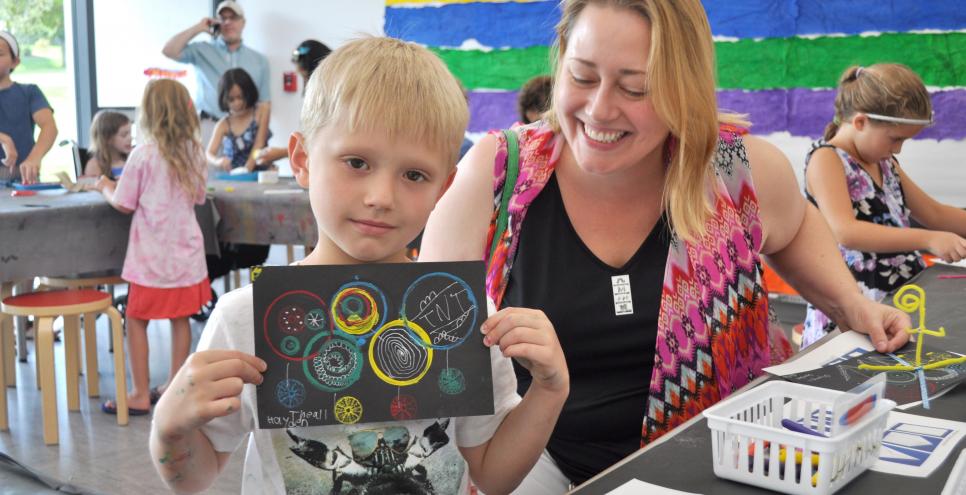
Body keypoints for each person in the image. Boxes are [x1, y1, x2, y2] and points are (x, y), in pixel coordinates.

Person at [418, 0, 913, 490]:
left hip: (714, 460)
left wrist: (849, 303)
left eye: (636, 88)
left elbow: (797, 225)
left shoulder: (738, 172)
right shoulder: (496, 172)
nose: (600, 110)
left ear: (685, 90)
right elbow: (427, 328)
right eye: (583, 77)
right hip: (533, 464)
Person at [149, 37, 568, 495]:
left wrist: (549, 391)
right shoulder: (244, 319)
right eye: (357, 162)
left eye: (414, 175)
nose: (381, 198)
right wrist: (169, 427)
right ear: (303, 159)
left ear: (443, 186)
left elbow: (493, 474)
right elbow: (194, 480)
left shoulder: (461, 316)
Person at [801, 63, 966, 349]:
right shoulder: (826, 160)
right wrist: (928, 239)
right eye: (895, 138)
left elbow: (934, 213)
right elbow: (846, 232)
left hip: (897, 301)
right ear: (861, 122)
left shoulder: (885, 163)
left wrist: (940, 231)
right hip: (857, 310)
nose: (899, 149)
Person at [94, 79, 211, 416]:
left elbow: (123, 202)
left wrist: (104, 185)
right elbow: (199, 197)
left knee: (136, 318)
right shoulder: (194, 151)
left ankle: (140, 392)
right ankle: (176, 389)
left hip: (151, 257)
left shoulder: (142, 155)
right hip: (185, 254)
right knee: (180, 320)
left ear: (149, 112)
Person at [162, 1, 269, 145]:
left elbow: (265, 105)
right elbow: (169, 50)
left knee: (246, 168)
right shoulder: (201, 51)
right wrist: (199, 27)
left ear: (243, 22)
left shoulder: (259, 61)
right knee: (206, 167)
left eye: (233, 17)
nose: (228, 22)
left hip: (246, 131)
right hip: (208, 127)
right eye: (223, 18)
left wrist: (259, 146)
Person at [252, 39, 332, 167]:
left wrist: (284, 152)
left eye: (304, 76)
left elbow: (322, 140)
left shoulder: (328, 95)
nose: (304, 81)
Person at [0, 30, 57, 184]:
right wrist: (3, 138)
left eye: (0, 54)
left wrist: (34, 158)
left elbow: (49, 126)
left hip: (25, 181)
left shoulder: (29, 92)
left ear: (15, 62)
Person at [206, 68, 270, 172]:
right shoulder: (223, 124)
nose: (237, 103)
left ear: (248, 93)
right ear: (224, 99)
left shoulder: (262, 110)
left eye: (241, 97)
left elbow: (259, 143)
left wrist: (247, 168)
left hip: (260, 173)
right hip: (234, 176)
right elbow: (209, 154)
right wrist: (218, 161)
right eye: (231, 99)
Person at [84, 110, 133, 178]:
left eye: (130, 133)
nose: (130, 138)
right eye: (124, 135)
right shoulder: (94, 165)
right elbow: (92, 188)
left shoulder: (133, 160)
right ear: (107, 139)